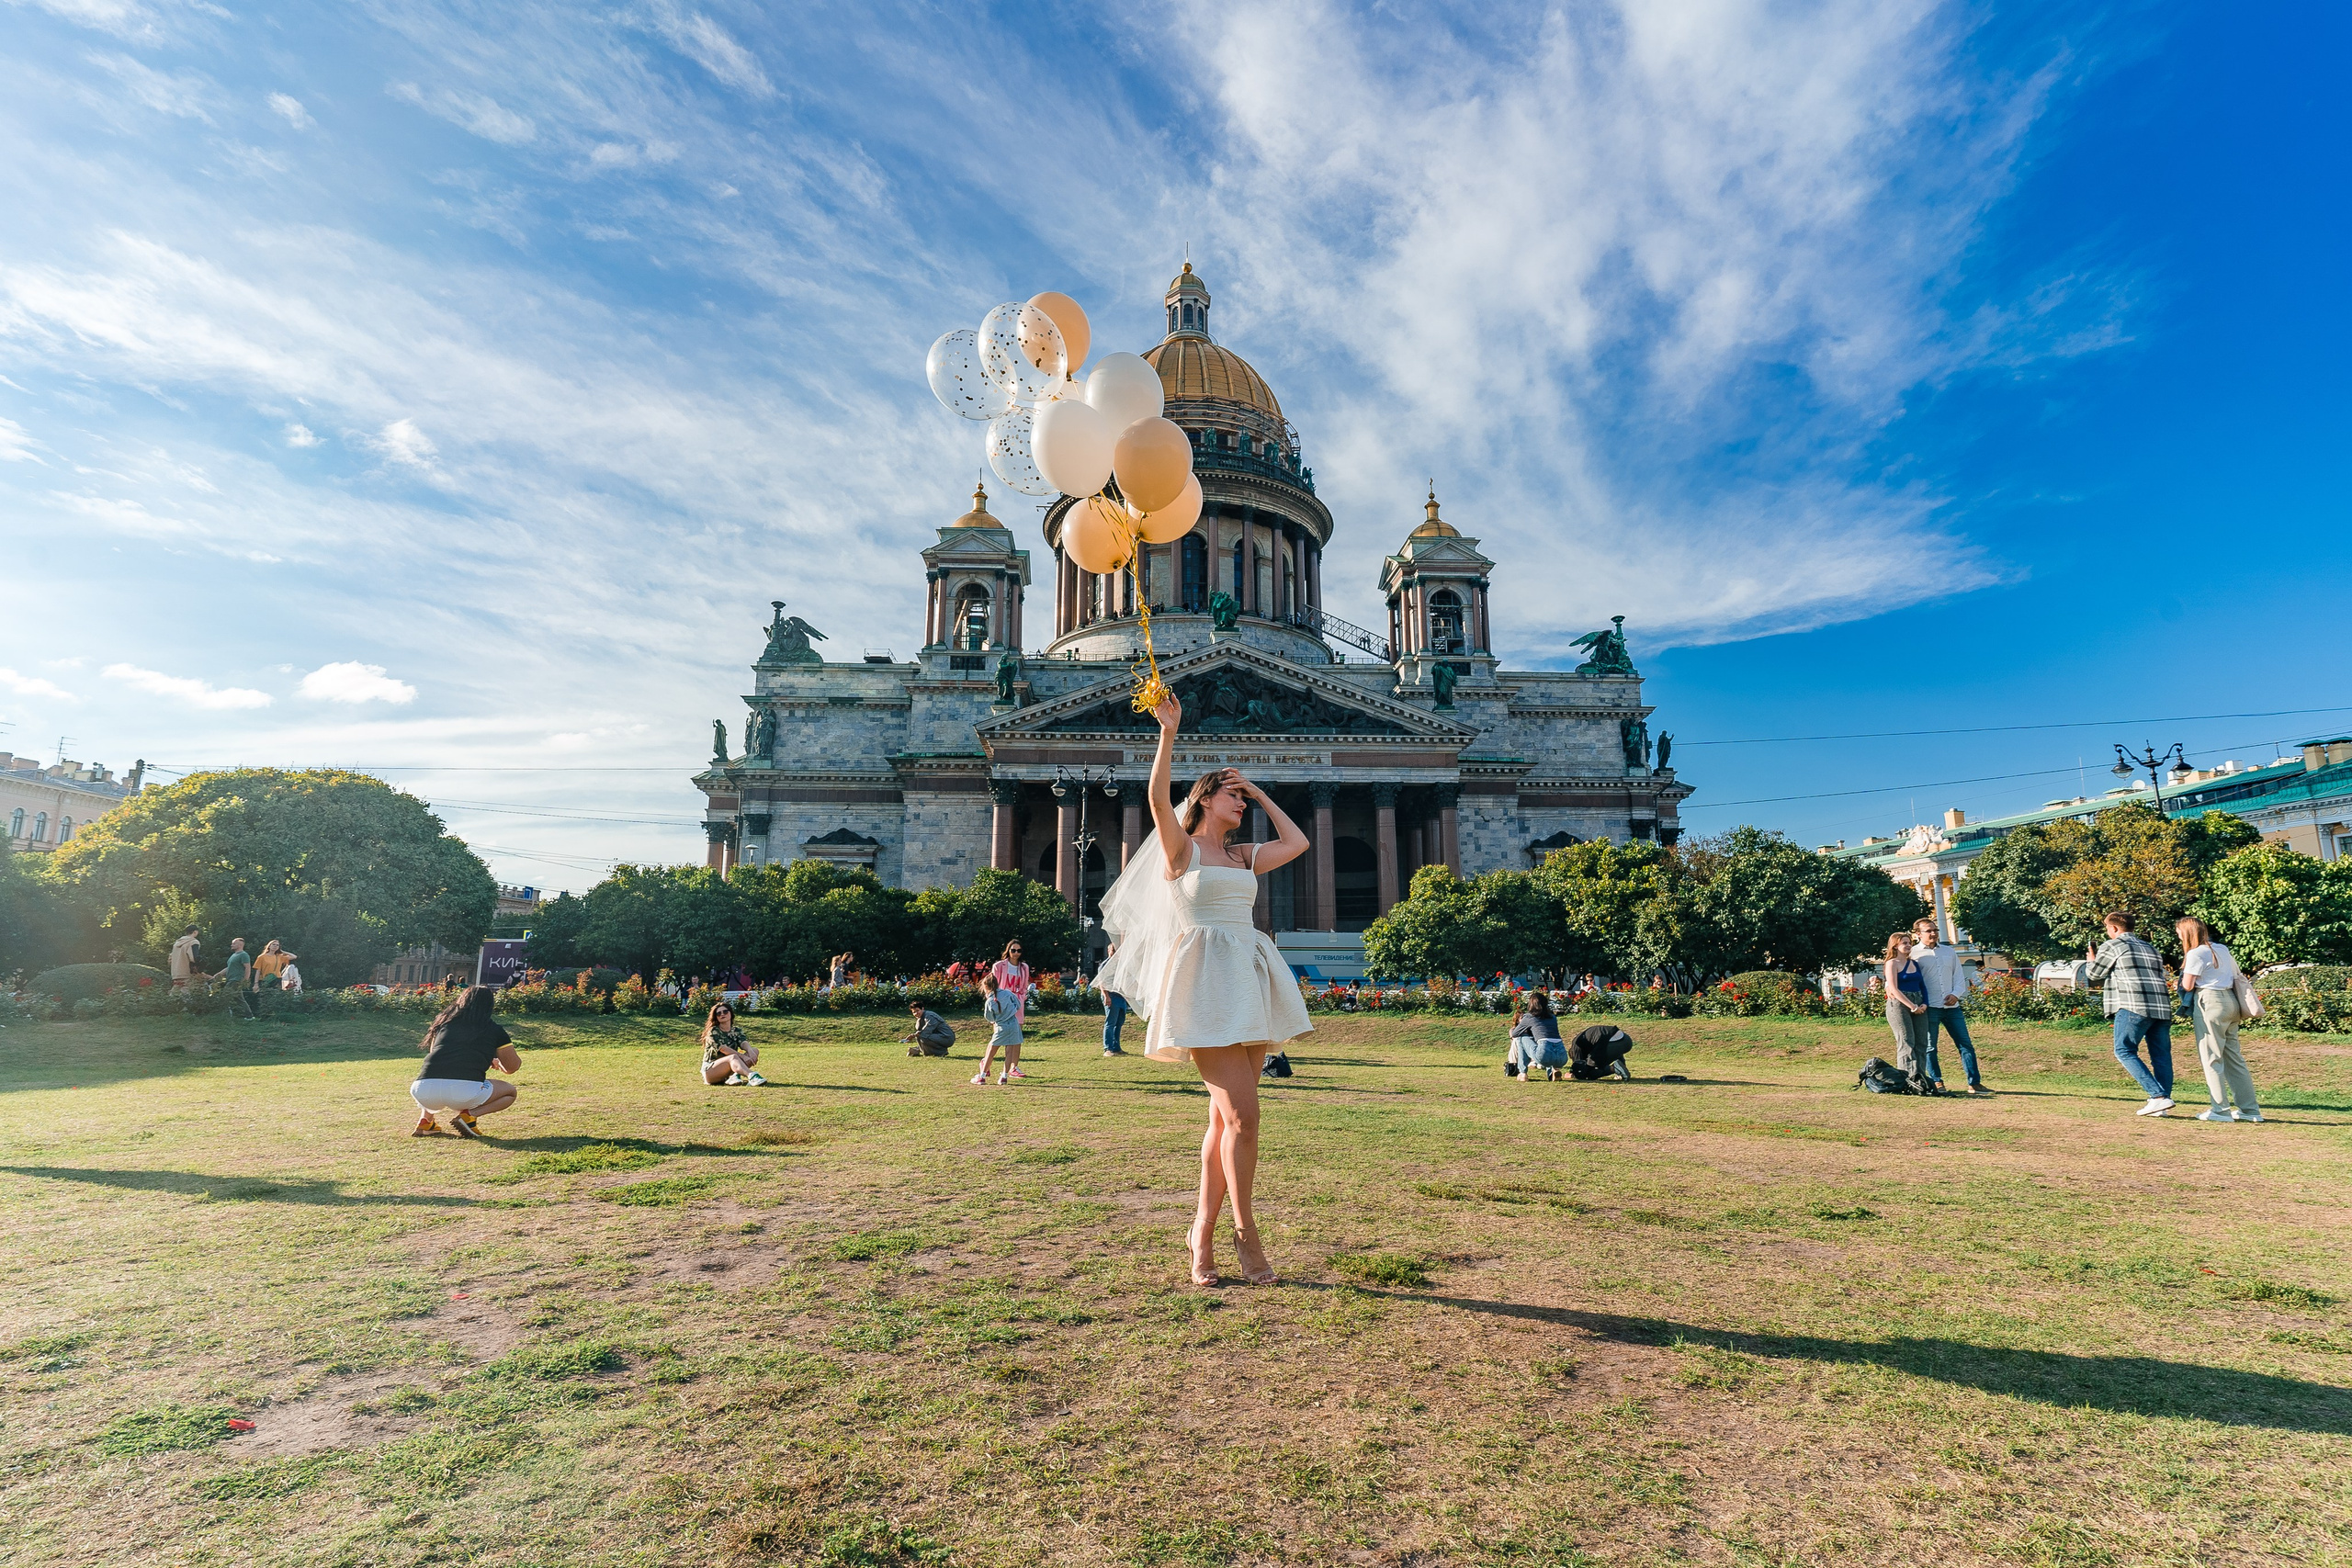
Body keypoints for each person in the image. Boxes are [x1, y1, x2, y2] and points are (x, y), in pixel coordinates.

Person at [1092, 691, 1313, 1287]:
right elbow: (1155, 797)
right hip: (1203, 986)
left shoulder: (1242, 855)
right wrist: (1169, 732)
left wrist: (1263, 791)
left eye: (1243, 795)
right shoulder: (1180, 849)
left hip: (1246, 979)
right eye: (1232, 793)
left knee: (1223, 1123)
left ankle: (1201, 1238)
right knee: (1244, 1116)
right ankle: (1247, 1236)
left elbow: (1298, 845)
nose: (1240, 802)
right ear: (1205, 798)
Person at [2085, 909, 2176, 1116]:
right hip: (2161, 1007)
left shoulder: (2113, 945)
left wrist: (2091, 959)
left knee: (2124, 1050)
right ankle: (2163, 1102)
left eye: (2107, 928)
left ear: (2114, 928)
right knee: (2161, 1056)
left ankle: (2158, 1097)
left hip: (2132, 1004)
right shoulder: (2150, 947)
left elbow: (2094, 974)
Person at [2177, 916, 2260, 1122]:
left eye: (2179, 931)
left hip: (2210, 1002)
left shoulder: (2195, 953)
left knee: (2211, 1056)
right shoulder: (2221, 949)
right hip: (2231, 1001)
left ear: (2186, 933)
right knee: (2234, 1059)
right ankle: (2250, 1110)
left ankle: (2220, 1110)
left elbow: (2187, 985)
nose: (2177, 935)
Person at [411, 986, 519, 1136]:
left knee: (438, 1075)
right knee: (510, 1092)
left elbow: (437, 1054)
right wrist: (497, 1063)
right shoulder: (494, 1029)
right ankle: (469, 1116)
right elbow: (512, 1067)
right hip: (463, 1092)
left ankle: (425, 1121)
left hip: (422, 1089)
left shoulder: (443, 1023)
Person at [1910, 918, 1987, 1095]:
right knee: (1930, 1047)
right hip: (1930, 1008)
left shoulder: (1949, 952)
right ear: (1918, 934)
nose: (1933, 933)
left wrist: (1955, 994)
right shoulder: (1913, 954)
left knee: (1965, 1044)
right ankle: (1937, 1081)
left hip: (1952, 1007)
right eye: (1929, 930)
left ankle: (1974, 1083)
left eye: (1935, 930)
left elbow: (1959, 977)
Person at [1880, 932, 1931, 1087]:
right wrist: (1912, 1006)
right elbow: (1894, 989)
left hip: (1919, 1002)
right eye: (1905, 943)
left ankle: (1920, 1078)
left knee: (1921, 1042)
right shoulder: (1892, 963)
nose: (1908, 945)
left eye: (1909, 943)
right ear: (1895, 945)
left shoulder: (1914, 963)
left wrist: (1924, 1004)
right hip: (1900, 1004)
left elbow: (1922, 986)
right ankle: (1909, 1079)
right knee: (1906, 1041)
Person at [974, 972, 1023, 1085]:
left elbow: (989, 1017)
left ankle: (982, 1076)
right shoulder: (1007, 993)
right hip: (1014, 1024)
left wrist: (995, 1020)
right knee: (1009, 1051)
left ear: (985, 987)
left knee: (991, 1051)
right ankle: (1004, 1076)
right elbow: (1018, 1005)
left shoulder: (990, 1001)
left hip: (1001, 1026)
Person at [1508, 991, 1568, 1080]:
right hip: (1562, 1056)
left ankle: (1522, 1073)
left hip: (1544, 1054)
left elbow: (1515, 1033)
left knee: (1521, 1038)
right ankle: (1554, 1071)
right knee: (1546, 1043)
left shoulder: (1529, 1017)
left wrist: (1527, 1032)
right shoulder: (1553, 1017)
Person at [700, 1002, 765, 1086]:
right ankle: (752, 1076)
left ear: (731, 1013)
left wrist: (750, 1051)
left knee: (754, 1050)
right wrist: (742, 1056)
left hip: (729, 1066)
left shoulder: (736, 1030)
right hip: (710, 1070)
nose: (722, 1014)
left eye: (725, 1011)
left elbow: (743, 1042)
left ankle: (733, 1076)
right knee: (733, 1057)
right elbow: (723, 1049)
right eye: (718, 1013)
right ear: (716, 1017)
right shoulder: (713, 1031)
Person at [1568, 1022, 1634, 1080]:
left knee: (1590, 1073)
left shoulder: (1576, 1048)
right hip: (1626, 1040)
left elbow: (1580, 1069)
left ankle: (1614, 1068)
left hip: (1613, 1044)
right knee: (1595, 1059)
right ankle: (1621, 1069)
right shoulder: (1582, 1040)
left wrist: (1572, 1074)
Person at [989, 941, 1033, 1021]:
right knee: (1001, 1026)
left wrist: (1022, 997)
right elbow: (994, 985)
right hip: (1002, 1000)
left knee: (1018, 1025)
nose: (1016, 953)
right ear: (1008, 950)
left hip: (1018, 1000)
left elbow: (1024, 985)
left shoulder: (1024, 967)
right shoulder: (998, 966)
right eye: (1013, 950)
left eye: (1019, 951)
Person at [1101, 944, 1129, 1056]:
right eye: (1113, 950)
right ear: (1108, 951)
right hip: (1111, 997)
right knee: (1111, 1023)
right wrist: (1106, 996)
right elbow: (1101, 982)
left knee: (1119, 1023)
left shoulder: (1120, 965)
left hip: (1121, 997)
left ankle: (1116, 1047)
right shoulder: (1105, 965)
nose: (1115, 952)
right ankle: (1107, 1048)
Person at [220, 937, 257, 1021]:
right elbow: (229, 967)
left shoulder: (243, 955)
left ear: (240, 945)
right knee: (239, 998)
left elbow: (247, 968)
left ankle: (224, 1015)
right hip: (230, 979)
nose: (231, 945)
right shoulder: (233, 955)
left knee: (225, 996)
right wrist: (219, 974)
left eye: (234, 943)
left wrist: (245, 980)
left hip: (236, 980)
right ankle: (249, 1016)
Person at [168, 925, 200, 991]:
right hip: (187, 973)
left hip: (175, 974)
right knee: (187, 995)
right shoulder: (194, 942)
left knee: (175, 995)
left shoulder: (176, 943)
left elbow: (170, 959)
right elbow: (194, 958)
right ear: (195, 932)